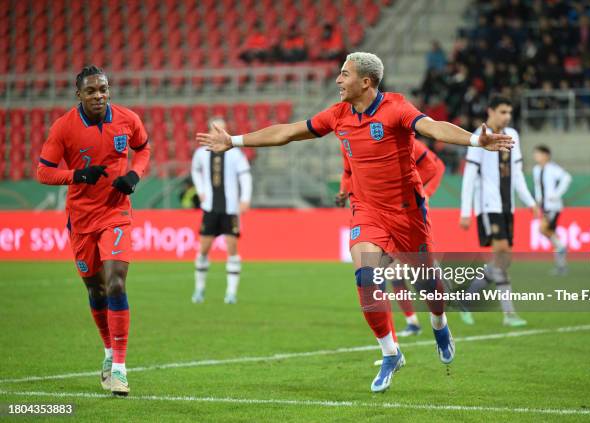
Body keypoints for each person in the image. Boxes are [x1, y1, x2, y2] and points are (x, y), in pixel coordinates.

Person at [197, 52, 513, 393]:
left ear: (366, 81)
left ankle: (439, 323)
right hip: (367, 212)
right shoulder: (338, 115)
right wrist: (233, 141)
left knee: (430, 291)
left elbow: (432, 127)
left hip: (408, 215)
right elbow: (288, 132)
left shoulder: (396, 108)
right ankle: (391, 353)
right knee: (365, 278)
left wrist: (473, 140)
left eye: (344, 74)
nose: (337, 80)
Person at [37, 65, 150, 396]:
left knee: (116, 282)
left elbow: (143, 148)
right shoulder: (64, 128)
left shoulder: (127, 119)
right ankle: (107, 351)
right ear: (79, 95)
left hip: (115, 212)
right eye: (91, 91)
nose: (99, 95)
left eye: (103, 89)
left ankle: (120, 368)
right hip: (82, 219)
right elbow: (43, 172)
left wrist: (135, 175)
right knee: (96, 289)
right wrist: (77, 175)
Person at [336, 139, 446, 337]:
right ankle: (404, 330)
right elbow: (348, 172)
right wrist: (343, 191)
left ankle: (432, 313)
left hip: (405, 215)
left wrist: (422, 192)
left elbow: (437, 167)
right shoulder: (348, 138)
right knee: (385, 273)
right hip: (373, 215)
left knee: (415, 276)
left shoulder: (397, 137)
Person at [459, 95, 537, 327]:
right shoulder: (479, 137)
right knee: (502, 252)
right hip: (488, 206)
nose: (507, 116)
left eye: (509, 112)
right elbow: (470, 176)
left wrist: (530, 201)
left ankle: (465, 298)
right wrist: (465, 211)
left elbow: (518, 173)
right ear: (490, 111)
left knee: (503, 260)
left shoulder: (513, 135)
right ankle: (509, 313)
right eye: (503, 111)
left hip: (507, 206)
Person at [191, 117, 252, 305]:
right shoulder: (201, 153)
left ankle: (231, 292)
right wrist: (200, 190)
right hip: (210, 208)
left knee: (232, 249)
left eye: (222, 130)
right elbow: (195, 170)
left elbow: (245, 176)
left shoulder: (235, 154)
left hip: (230, 209)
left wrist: (245, 199)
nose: (219, 133)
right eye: (215, 129)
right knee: (203, 249)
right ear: (210, 131)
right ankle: (199, 289)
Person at [532, 145, 572, 275]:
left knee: (543, 229)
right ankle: (561, 264)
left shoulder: (553, 168)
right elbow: (538, 187)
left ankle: (561, 247)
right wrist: (537, 203)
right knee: (550, 232)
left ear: (546, 155)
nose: (535, 156)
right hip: (544, 206)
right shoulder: (536, 169)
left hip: (553, 206)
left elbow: (567, 178)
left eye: (538, 154)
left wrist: (556, 194)